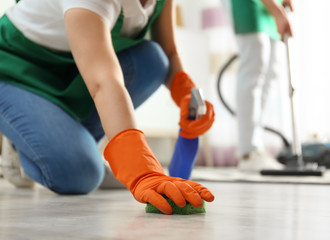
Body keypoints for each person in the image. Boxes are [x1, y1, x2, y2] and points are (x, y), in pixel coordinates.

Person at [0, 0, 215, 215]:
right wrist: (142, 169)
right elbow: (103, 81)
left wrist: (186, 92)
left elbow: (168, 52)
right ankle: (23, 139)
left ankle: (61, 137)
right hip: (13, 71)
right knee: (79, 174)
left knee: (153, 59)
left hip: (75, 73)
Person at [229, 0, 293, 171]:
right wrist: (276, 9)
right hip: (249, 4)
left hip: (270, 6)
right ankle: (248, 151)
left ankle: (257, 146)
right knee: (255, 61)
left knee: (272, 69)